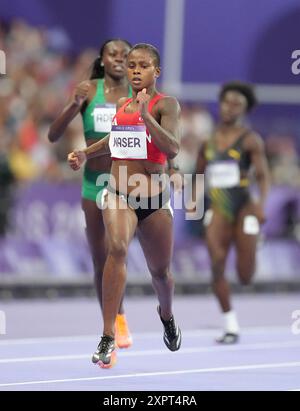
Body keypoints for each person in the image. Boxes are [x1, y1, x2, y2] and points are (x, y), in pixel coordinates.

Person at [68, 43, 182, 368]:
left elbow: (172, 148)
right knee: (116, 249)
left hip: (154, 200)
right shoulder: (121, 103)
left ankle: (167, 314)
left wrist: (146, 115)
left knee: (161, 274)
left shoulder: (167, 105)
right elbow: (115, 138)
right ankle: (107, 335)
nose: (134, 70)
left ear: (156, 72)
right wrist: (87, 153)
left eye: (143, 66)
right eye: (131, 65)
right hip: (118, 192)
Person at [48, 39, 133, 348]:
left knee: (118, 250)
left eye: (126, 55)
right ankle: (112, 324)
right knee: (101, 260)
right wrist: (73, 103)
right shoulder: (88, 90)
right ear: (102, 58)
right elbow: (53, 135)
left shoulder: (137, 94)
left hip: (125, 184)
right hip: (92, 183)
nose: (120, 60)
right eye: (114, 54)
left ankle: (117, 323)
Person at [194, 81, 269, 344]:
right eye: (227, 102)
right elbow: (198, 176)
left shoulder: (250, 139)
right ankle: (230, 325)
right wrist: (194, 208)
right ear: (221, 103)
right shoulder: (207, 141)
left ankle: (253, 240)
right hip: (219, 208)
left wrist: (261, 205)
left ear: (245, 109)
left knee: (245, 276)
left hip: (245, 207)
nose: (230, 108)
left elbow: (262, 176)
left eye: (237, 104)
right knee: (216, 264)